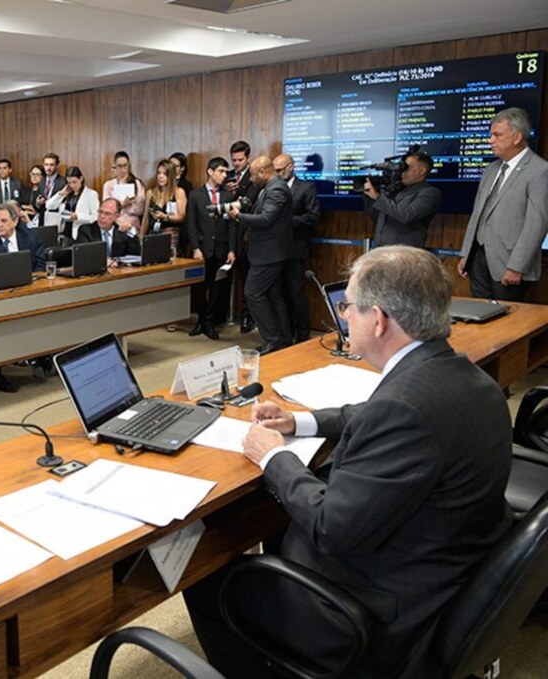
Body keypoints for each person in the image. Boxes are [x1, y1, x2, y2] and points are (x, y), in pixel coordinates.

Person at [183, 245, 512, 678]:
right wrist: (298, 422)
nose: (343, 315)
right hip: (439, 570)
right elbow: (372, 413)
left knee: (205, 576)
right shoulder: (465, 376)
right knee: (280, 515)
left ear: (378, 320)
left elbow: (329, 528)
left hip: (376, 616)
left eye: (348, 306)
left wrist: (273, 456)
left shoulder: (404, 408)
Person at [459, 107, 548, 302]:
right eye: (491, 135)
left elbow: (537, 225)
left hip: (509, 264)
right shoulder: (491, 169)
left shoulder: (540, 170)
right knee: (479, 314)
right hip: (478, 259)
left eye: (497, 135)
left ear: (517, 137)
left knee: (508, 318)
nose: (490, 140)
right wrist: (466, 253)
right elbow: (477, 214)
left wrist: (517, 266)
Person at [228, 156, 293, 354]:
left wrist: (238, 216)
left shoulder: (277, 189)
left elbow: (265, 220)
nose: (251, 179)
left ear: (264, 172)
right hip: (269, 252)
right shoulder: (270, 188)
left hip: (269, 253)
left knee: (252, 293)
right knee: (273, 295)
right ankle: (283, 337)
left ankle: (272, 339)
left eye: (253, 175)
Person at [0, 203, 47, 393]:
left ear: (15, 221)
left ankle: (41, 359)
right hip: (3, 295)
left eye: (4, 221)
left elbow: (41, 264)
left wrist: (32, 283)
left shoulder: (30, 236)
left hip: (30, 289)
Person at [186, 157, 237, 340]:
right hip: (202, 249)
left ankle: (209, 322)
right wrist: (195, 248)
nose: (224, 175)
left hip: (221, 248)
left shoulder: (228, 196)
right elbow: (191, 224)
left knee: (217, 287)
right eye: (221, 171)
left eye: (226, 172)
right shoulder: (195, 195)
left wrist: (232, 249)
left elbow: (232, 226)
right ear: (210, 171)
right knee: (200, 287)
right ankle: (200, 320)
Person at [274, 154, 320, 344]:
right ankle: (286, 333)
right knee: (279, 293)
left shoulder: (306, 188)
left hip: (295, 247)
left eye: (280, 170)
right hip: (275, 248)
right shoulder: (273, 187)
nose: (277, 173)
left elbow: (313, 216)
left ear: (291, 167)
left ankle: (302, 334)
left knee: (296, 292)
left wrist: (287, 221)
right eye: (275, 170)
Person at [363, 150, 440, 248]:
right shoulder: (399, 190)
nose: (403, 172)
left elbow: (406, 215)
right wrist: (369, 195)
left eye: (407, 168)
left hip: (404, 252)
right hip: (381, 249)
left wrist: (377, 197)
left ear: (422, 171)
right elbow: (380, 218)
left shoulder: (430, 193)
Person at [227, 140, 260, 335]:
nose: (237, 163)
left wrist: (237, 192)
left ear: (248, 158)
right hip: (233, 233)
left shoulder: (253, 177)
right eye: (234, 160)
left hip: (250, 234)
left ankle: (249, 317)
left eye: (240, 160)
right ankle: (242, 314)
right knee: (239, 278)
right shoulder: (228, 177)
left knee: (250, 281)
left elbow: (250, 202)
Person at [46, 166, 98, 245]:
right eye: (69, 183)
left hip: (81, 233)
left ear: (81, 178)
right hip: (65, 233)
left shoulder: (91, 194)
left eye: (74, 182)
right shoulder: (67, 194)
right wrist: (62, 193)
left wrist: (77, 217)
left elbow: (95, 217)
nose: (72, 186)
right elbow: (49, 206)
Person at [140, 158, 187, 239]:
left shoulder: (179, 192)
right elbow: (145, 218)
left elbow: (181, 217)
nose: (160, 176)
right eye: (159, 173)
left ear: (171, 176)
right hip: (153, 233)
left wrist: (165, 217)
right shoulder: (150, 193)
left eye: (164, 174)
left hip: (170, 234)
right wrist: (141, 237)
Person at [102, 151, 145, 235]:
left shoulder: (137, 184)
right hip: (114, 225)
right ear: (115, 166)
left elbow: (140, 210)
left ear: (129, 165)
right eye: (119, 166)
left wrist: (129, 207)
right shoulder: (108, 185)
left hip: (132, 225)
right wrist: (122, 205)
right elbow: (106, 209)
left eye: (125, 165)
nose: (122, 169)